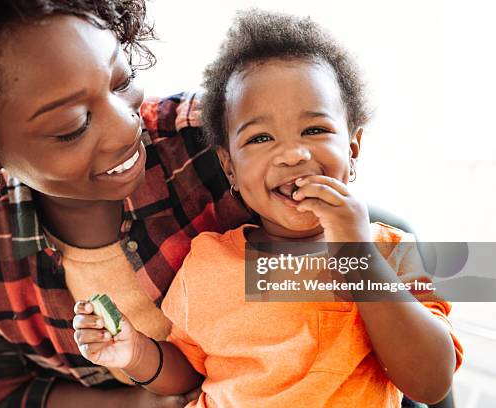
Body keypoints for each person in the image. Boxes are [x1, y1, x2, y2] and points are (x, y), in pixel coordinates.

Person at [72, 10, 463, 407]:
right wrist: (135, 353)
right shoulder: (207, 261)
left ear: (353, 148)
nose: (292, 154)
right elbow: (190, 371)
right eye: (260, 137)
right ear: (230, 169)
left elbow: (430, 384)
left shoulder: (390, 252)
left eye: (314, 130)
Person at [0, 1, 253, 407]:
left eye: (121, 79)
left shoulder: (222, 144)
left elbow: (329, 276)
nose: (124, 127)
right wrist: (140, 403)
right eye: (72, 127)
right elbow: (7, 394)